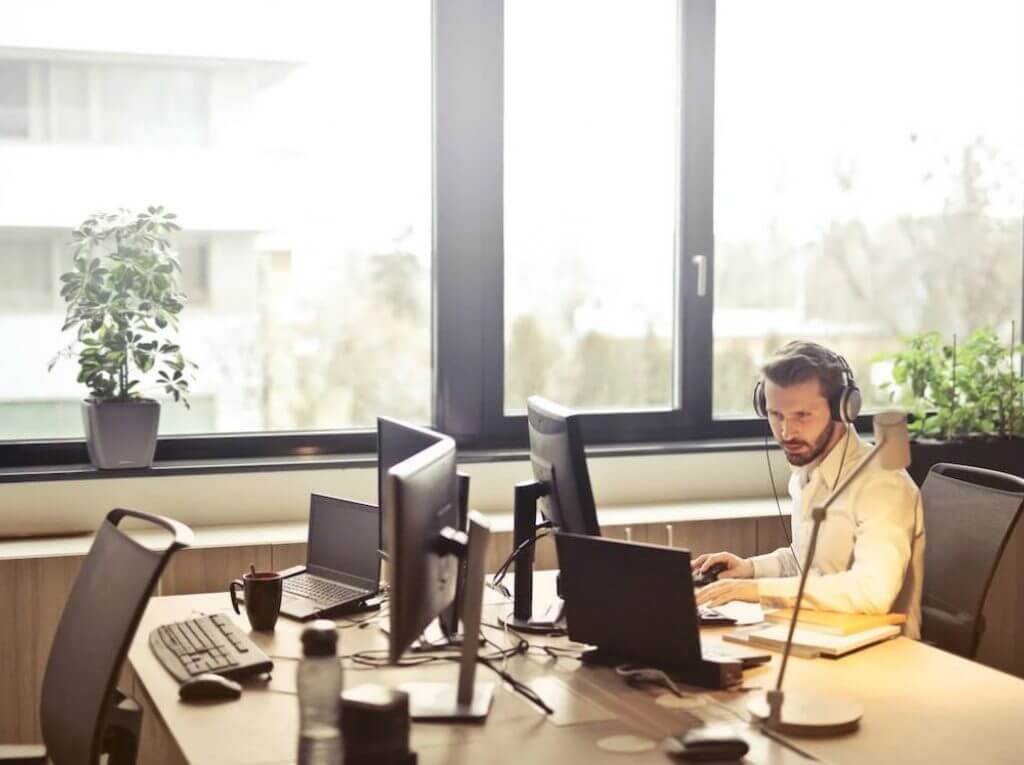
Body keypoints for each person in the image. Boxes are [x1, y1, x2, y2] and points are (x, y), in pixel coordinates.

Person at [693, 340, 925, 638]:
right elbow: (808, 563)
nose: (787, 433)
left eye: (802, 415)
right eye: (777, 416)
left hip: (880, 655)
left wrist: (755, 590)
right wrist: (750, 569)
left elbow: (873, 592)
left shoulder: (882, 483)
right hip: (817, 635)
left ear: (844, 409)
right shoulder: (808, 471)